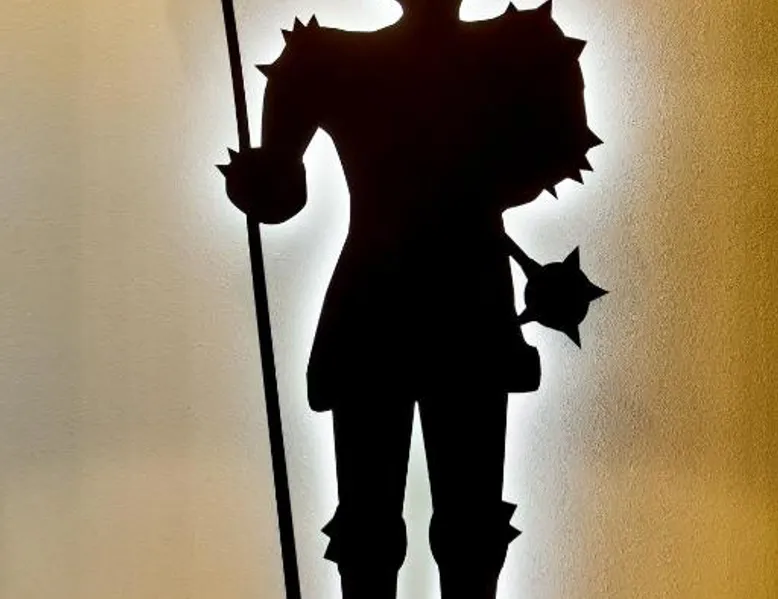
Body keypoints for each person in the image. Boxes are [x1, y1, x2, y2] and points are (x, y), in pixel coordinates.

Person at [222, 1, 599, 596]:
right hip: (462, 299)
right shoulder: (517, 50)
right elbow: (281, 189)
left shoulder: (330, 61)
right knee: (428, 523)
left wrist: (262, 181)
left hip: (387, 304)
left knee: (433, 523)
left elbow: (281, 191)